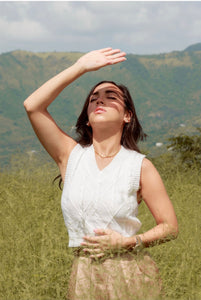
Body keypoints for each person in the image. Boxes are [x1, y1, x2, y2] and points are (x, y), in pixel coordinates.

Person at [24, 48, 178, 300]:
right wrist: (80, 67)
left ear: (127, 115)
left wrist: (127, 242)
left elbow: (170, 227)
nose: (100, 101)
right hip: (83, 274)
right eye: (94, 98)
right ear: (86, 118)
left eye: (110, 97)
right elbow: (32, 106)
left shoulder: (139, 166)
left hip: (130, 272)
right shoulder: (70, 156)